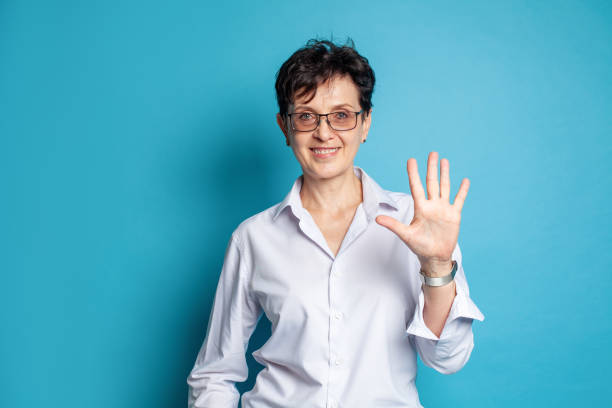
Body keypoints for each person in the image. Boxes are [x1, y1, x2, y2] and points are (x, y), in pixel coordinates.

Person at [187, 38, 484, 408]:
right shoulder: (254, 238)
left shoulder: (417, 222)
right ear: (285, 127)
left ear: (365, 123)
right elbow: (215, 374)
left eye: (342, 115)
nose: (324, 133)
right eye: (306, 116)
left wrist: (438, 267)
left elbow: (448, 358)